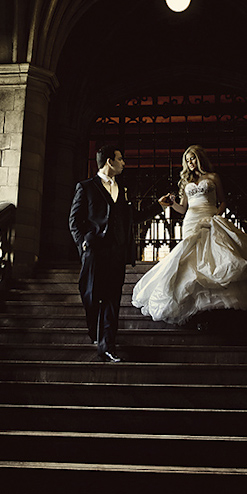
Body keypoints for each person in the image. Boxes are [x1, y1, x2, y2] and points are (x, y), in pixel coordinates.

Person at [132, 145, 247, 325]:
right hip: (191, 221)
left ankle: (221, 307)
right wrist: (171, 203)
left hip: (210, 217)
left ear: (199, 158)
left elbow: (223, 201)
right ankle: (197, 309)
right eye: (187, 160)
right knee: (192, 259)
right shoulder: (185, 182)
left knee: (214, 257)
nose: (190, 163)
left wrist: (216, 215)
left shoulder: (213, 177)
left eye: (192, 158)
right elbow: (183, 208)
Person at [69, 144, 171, 362]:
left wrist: (158, 206)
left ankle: (107, 344)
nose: (124, 163)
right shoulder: (85, 187)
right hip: (94, 252)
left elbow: (133, 216)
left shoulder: (123, 188)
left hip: (117, 252)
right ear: (109, 161)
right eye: (120, 159)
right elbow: (74, 221)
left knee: (111, 299)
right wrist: (84, 243)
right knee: (90, 295)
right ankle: (94, 330)